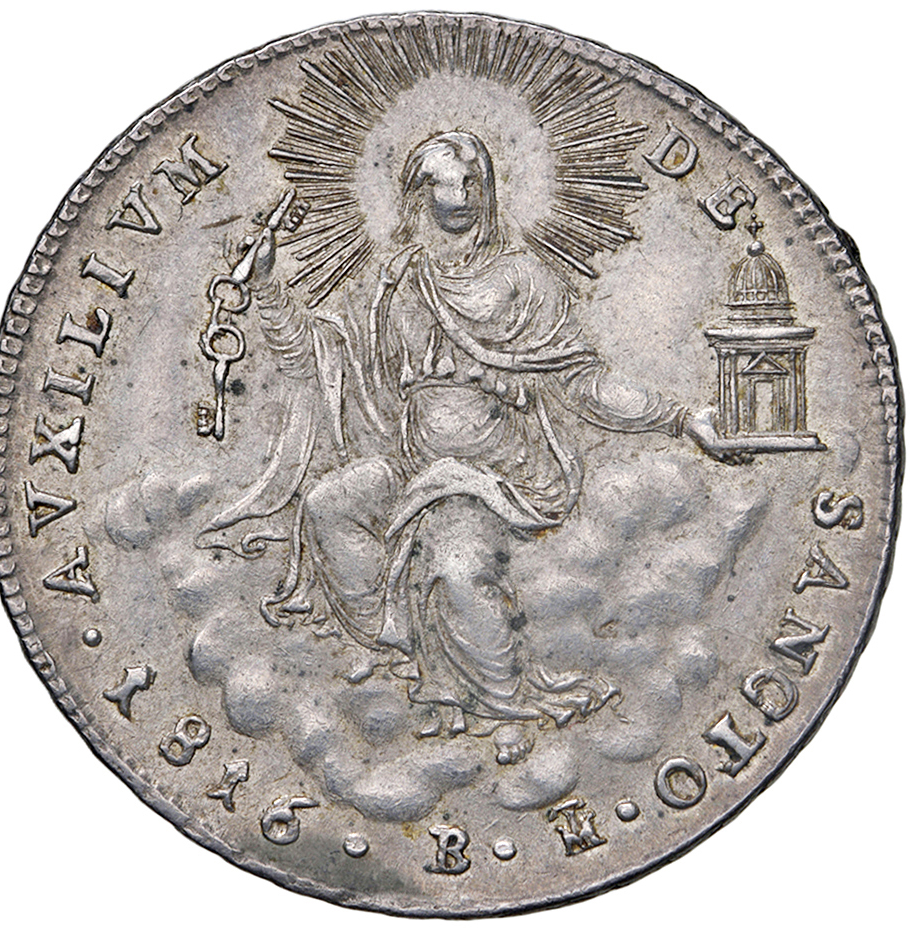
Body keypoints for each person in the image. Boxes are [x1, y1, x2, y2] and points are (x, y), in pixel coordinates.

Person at [201, 131, 731, 764]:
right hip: (410, 464)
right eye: (440, 183)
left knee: (456, 560)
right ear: (415, 194)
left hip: (499, 471)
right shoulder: (394, 280)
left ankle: (499, 700)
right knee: (328, 505)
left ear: (489, 189)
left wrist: (681, 419)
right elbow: (317, 360)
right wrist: (265, 287)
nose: (458, 197)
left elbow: (583, 383)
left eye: (471, 182)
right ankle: (402, 642)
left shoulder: (524, 278)